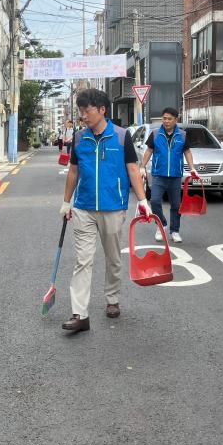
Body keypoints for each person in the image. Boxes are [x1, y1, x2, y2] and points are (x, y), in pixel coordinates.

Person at [59, 89, 150, 333]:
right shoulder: (79, 138)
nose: (83, 116)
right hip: (84, 207)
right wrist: (67, 201)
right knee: (82, 260)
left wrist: (142, 200)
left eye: (86, 110)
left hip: (113, 206)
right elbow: (73, 171)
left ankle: (112, 299)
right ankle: (80, 314)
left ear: (102, 110)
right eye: (80, 111)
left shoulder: (122, 137)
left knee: (113, 258)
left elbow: (132, 169)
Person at [139, 107, 199, 243]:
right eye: (164, 118)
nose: (166, 121)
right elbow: (149, 151)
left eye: (169, 119)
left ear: (176, 120)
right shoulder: (155, 134)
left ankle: (175, 231)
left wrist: (192, 168)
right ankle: (161, 226)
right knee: (154, 201)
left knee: (176, 205)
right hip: (158, 175)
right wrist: (142, 166)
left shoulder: (182, 135)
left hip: (175, 176)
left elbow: (187, 152)